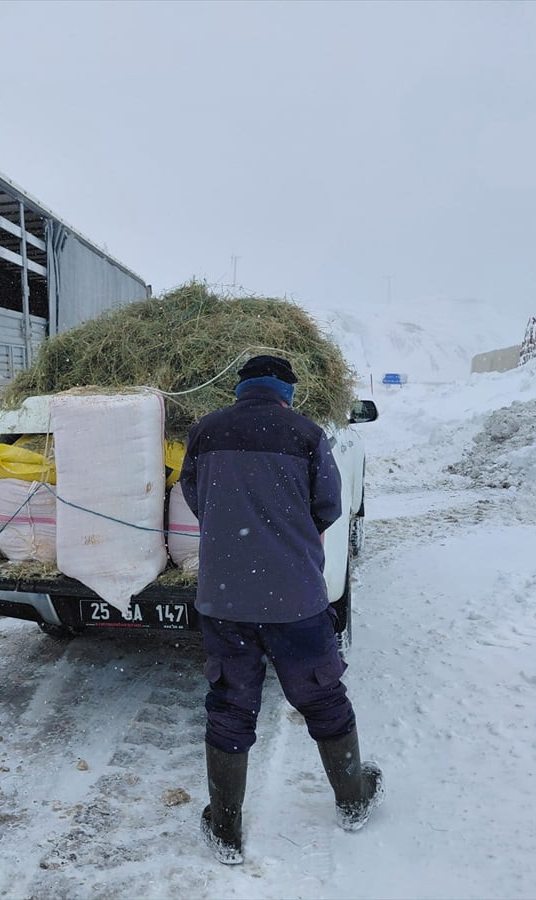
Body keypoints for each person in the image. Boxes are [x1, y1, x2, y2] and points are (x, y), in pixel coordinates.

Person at [179, 354, 383, 865]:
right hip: (295, 599)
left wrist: (235, 525)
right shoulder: (307, 434)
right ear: (285, 391)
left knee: (230, 705)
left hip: (226, 601)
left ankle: (225, 829)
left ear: (241, 388)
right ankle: (353, 797)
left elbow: (193, 494)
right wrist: (283, 528)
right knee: (322, 694)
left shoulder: (205, 431)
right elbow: (330, 506)